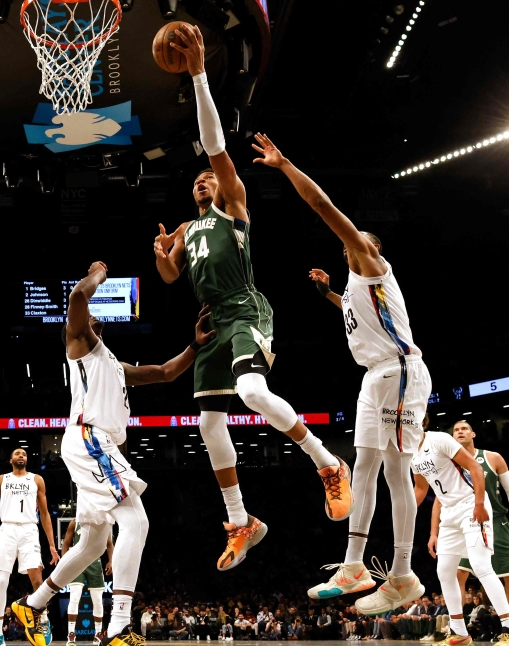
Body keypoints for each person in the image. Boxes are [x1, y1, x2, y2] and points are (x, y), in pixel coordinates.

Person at [154, 26, 352, 572]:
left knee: (248, 389)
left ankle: (327, 462)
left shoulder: (233, 205)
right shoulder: (187, 233)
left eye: (207, 180)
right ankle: (242, 519)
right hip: (211, 322)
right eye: (195, 181)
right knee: (208, 425)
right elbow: (170, 279)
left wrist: (197, 75)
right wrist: (160, 253)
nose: (202, 182)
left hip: (245, 307)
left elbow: (214, 147)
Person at [249, 134, 431, 614]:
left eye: (362, 239)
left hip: (400, 370)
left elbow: (323, 204)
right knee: (364, 465)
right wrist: (331, 293)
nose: (355, 240)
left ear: (372, 249)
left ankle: (403, 575)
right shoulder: (353, 286)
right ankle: (353, 566)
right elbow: (354, 314)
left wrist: (285, 164)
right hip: (375, 376)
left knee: (395, 471)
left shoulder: (372, 264)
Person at [11, 260, 216, 646]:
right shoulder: (80, 347)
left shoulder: (113, 364)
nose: (92, 319)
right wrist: (99, 274)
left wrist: (194, 346)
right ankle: (118, 628)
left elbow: (163, 373)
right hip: (90, 440)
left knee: (90, 543)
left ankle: (33, 605)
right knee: (136, 520)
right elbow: (75, 297)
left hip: (98, 447)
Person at [417, 417, 509, 646]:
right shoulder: (411, 454)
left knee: (482, 567)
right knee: (445, 572)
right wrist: (401, 512)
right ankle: (459, 632)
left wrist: (479, 504)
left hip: (472, 506)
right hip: (449, 513)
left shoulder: (440, 440)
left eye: (465, 428)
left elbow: (477, 469)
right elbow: (420, 489)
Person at [448, 420, 509, 646]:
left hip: (495, 520)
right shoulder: (448, 461)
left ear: (473, 433)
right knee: (457, 573)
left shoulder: (492, 457)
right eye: (456, 430)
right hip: (464, 521)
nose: (460, 431)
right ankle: (457, 629)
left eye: (464, 428)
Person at [0, 447, 61, 646]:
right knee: (2, 580)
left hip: (30, 529)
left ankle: (43, 619)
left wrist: (51, 544)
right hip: (8, 530)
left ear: (27, 460)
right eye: (17, 453)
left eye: (24, 454)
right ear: (10, 459)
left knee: (37, 579)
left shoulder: (36, 479)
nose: (21, 456)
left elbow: (46, 514)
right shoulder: (1, 480)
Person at [60, 519, 114, 646]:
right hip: (77, 561)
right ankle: (71, 634)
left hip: (95, 562)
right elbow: (66, 544)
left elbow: (110, 544)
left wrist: (111, 561)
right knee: (74, 597)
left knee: (97, 600)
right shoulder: (75, 522)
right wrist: (65, 561)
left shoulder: (102, 522)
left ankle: (98, 634)